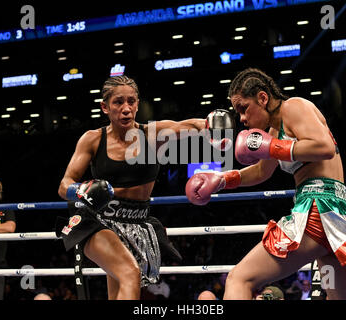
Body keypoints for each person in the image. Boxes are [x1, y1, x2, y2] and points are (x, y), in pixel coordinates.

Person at [186, 68, 346, 300]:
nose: (242, 119)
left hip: (317, 212)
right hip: (337, 222)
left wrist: (272, 147)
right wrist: (224, 179)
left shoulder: (294, 107)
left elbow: (324, 147)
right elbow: (262, 171)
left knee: (239, 278)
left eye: (243, 108)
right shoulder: (276, 130)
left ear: (263, 98)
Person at [57, 75, 233, 300]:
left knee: (119, 287)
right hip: (99, 223)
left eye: (131, 101)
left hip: (137, 222)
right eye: (118, 102)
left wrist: (212, 124)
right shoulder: (92, 140)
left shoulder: (152, 134)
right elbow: (64, 185)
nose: (126, 108)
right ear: (105, 107)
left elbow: (187, 125)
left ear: (138, 104)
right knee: (130, 274)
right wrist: (80, 190)